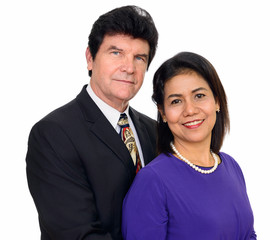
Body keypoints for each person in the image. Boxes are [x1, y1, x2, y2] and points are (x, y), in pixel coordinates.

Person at [26, 5, 158, 240]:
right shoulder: (53, 133)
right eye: (116, 53)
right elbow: (77, 234)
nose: (129, 68)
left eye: (139, 57)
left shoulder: (154, 131)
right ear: (90, 58)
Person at [122, 52, 257, 239]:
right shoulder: (152, 181)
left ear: (217, 101)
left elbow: (248, 234)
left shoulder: (231, 166)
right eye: (176, 101)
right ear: (163, 112)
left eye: (199, 96)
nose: (190, 110)